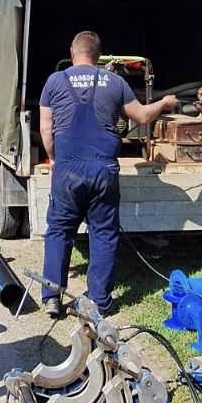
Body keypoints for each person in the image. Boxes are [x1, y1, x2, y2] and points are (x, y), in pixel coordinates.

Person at [39, 31, 177, 318]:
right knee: (102, 234)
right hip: (103, 169)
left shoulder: (55, 81)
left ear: (72, 52)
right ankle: (100, 302)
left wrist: (54, 157)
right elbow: (141, 117)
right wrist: (164, 103)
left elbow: (45, 129)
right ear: (100, 56)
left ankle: (52, 296)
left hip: (67, 169)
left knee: (60, 231)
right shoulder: (115, 82)